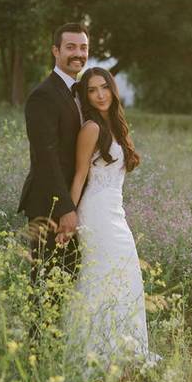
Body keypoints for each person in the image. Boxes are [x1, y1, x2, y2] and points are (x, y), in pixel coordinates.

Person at [63, 66, 157, 365]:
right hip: (96, 214)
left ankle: (123, 347)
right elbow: (79, 177)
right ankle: (93, 349)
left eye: (104, 87)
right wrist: (69, 217)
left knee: (125, 274)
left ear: (112, 90)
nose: (100, 95)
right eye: (92, 90)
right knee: (100, 275)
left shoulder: (116, 125)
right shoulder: (91, 128)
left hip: (116, 213)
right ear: (86, 96)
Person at [18, 23, 88, 325]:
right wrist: (65, 209)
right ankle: (35, 352)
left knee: (68, 276)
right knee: (46, 280)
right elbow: (46, 158)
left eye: (83, 48)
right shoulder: (43, 96)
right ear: (55, 51)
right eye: (71, 47)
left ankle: (56, 343)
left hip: (71, 202)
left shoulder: (80, 92)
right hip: (49, 203)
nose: (78, 54)